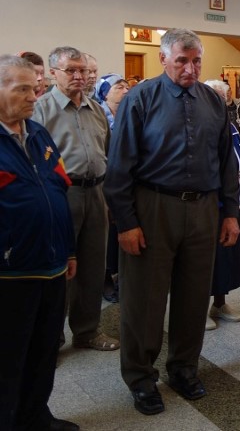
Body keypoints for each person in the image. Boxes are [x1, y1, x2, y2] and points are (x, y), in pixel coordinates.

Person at [104, 29, 240, 415]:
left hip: (203, 208)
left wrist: (231, 212)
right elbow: (119, 165)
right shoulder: (140, 98)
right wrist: (126, 222)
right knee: (144, 300)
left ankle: (183, 368)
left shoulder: (213, 102)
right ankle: (141, 377)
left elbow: (226, 161)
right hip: (153, 207)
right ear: (164, 59)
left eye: (196, 61)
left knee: (194, 297)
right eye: (182, 60)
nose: (190, 69)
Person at [0, 55, 80, 431]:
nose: (34, 96)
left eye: (35, 88)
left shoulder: (39, 134)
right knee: (8, 357)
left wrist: (69, 249)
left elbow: (58, 191)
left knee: (44, 350)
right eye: (22, 89)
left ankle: (35, 417)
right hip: (10, 273)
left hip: (52, 265)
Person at [33, 46, 119, 352]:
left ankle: (87, 331)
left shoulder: (95, 109)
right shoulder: (41, 110)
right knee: (59, 270)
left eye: (83, 70)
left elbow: (107, 153)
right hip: (60, 195)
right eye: (71, 70)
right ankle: (52, 337)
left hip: (96, 193)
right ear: (53, 73)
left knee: (93, 267)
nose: (79, 76)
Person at [205, 80, 240, 331]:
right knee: (206, 259)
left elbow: (239, 162)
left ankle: (219, 303)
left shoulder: (230, 126)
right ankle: (198, 308)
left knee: (226, 257)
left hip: (231, 202)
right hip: (209, 203)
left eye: (224, 97)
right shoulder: (203, 126)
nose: (221, 101)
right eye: (216, 97)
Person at [94, 73, 131, 304]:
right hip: (104, 182)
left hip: (126, 181)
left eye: (127, 86)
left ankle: (120, 275)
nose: (125, 90)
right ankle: (105, 277)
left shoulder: (129, 113)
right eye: (119, 87)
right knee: (107, 233)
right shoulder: (98, 116)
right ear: (105, 93)